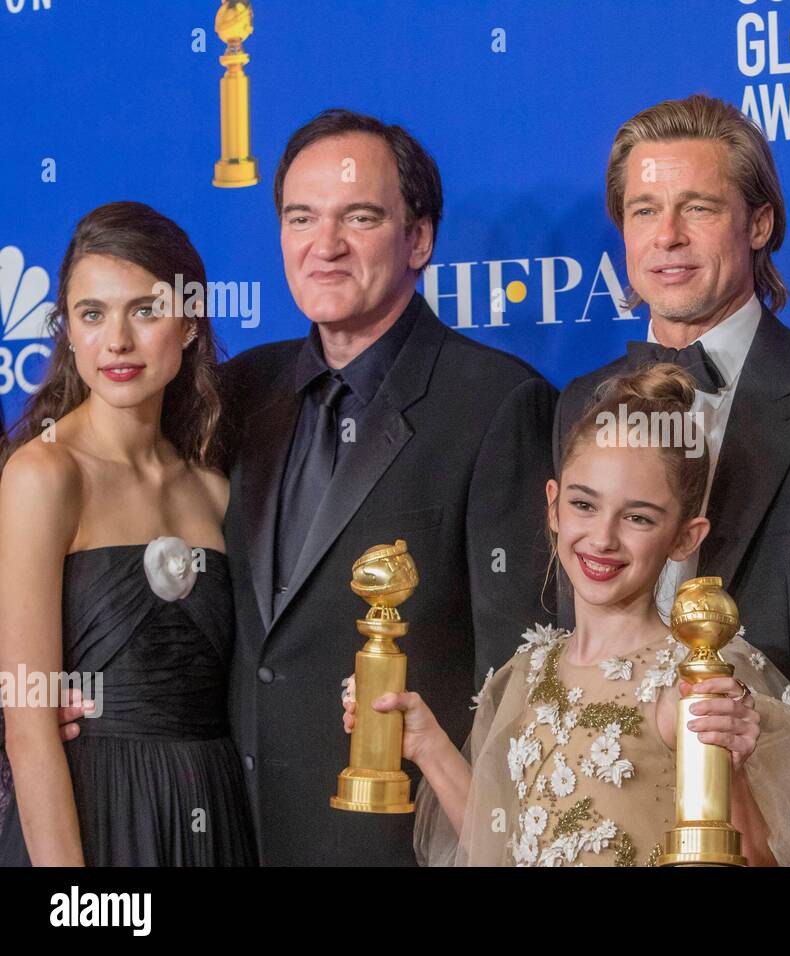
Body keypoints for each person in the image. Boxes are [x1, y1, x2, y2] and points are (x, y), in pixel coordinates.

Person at [345, 364, 790, 866]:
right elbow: (496, 847)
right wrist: (428, 744)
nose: (602, 538)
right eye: (584, 505)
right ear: (553, 505)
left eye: (637, 517)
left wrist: (732, 778)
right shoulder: (525, 674)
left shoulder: (694, 680)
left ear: (687, 537)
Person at [218, 110, 556, 865]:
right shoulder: (238, 393)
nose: (324, 245)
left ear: (420, 240)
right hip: (232, 834)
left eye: (358, 217)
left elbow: (518, 675)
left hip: (398, 842)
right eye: (300, 217)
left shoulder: (499, 403)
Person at [554, 94, 790, 782]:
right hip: (609, 803)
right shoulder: (576, 406)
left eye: (700, 208)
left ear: (760, 223)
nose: (668, 236)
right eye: (644, 210)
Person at [0, 201, 256, 866]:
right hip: (95, 818)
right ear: (68, 332)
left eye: (145, 310)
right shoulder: (43, 475)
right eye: (92, 314)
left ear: (190, 323)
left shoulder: (215, 489)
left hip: (214, 817)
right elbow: (29, 730)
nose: (117, 340)